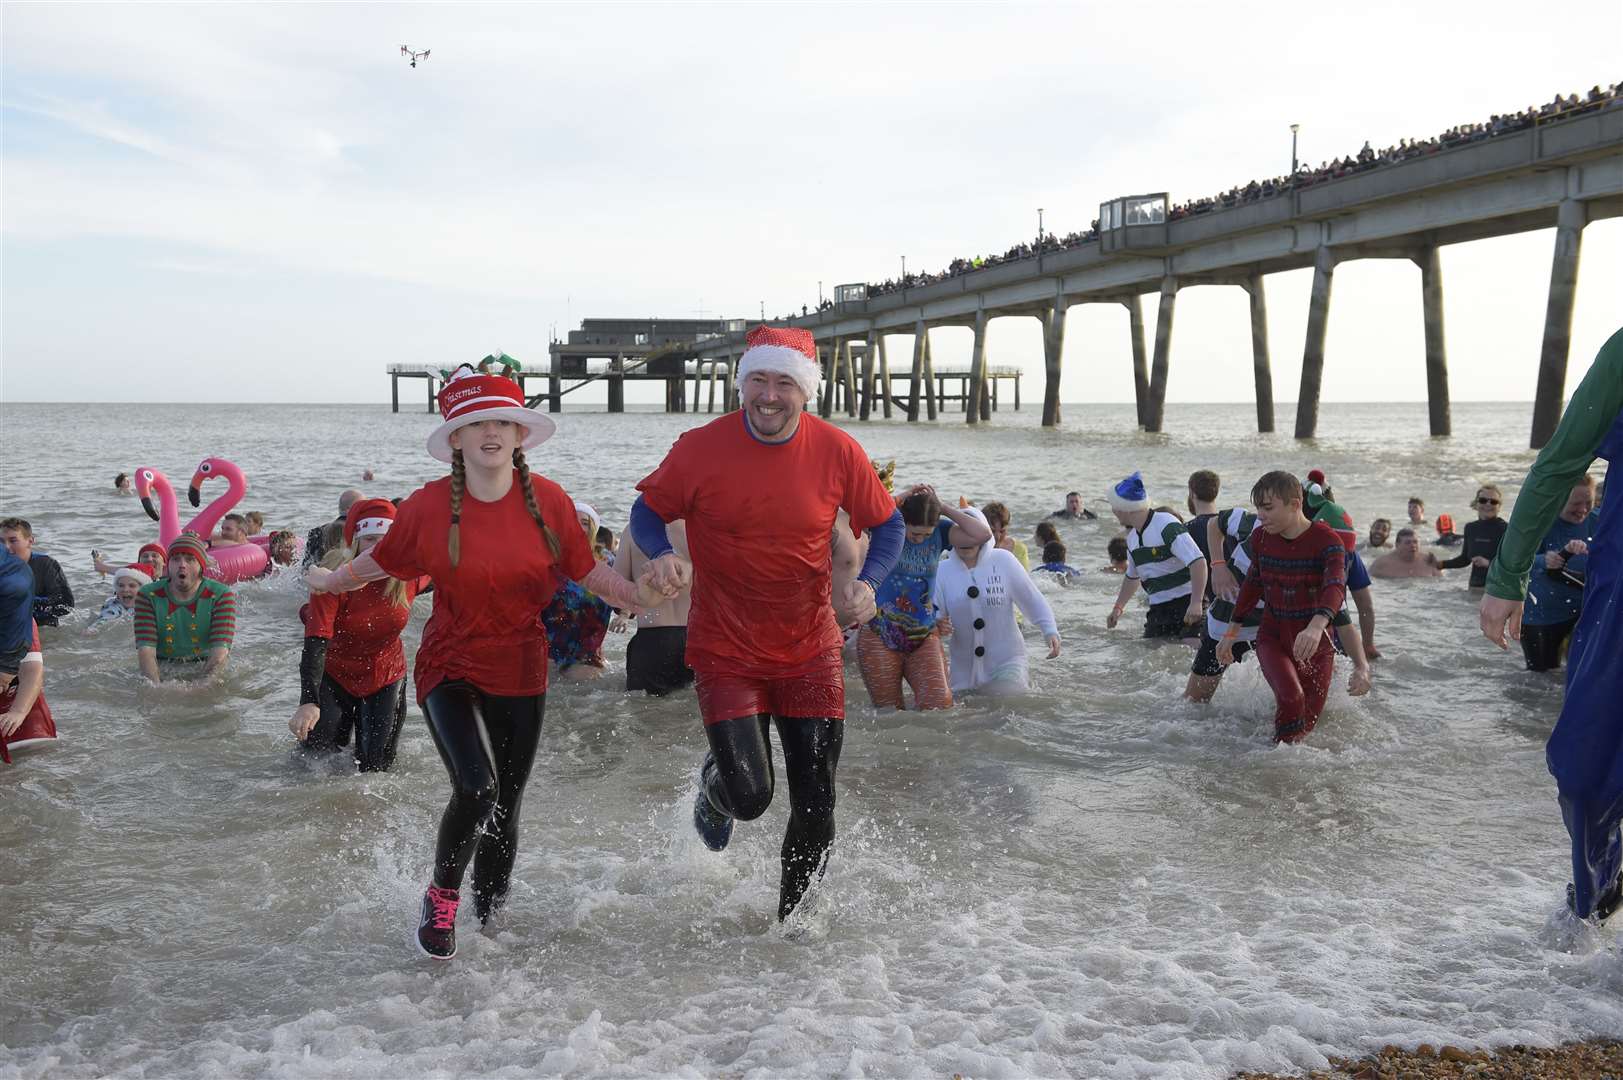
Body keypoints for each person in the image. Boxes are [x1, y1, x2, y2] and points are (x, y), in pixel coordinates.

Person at [306, 364, 667, 959]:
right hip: (448, 662)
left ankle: (490, 924)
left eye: (503, 421)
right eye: (477, 424)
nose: (491, 432)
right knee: (476, 788)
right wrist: (330, 578)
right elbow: (380, 563)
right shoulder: (425, 507)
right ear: (456, 439)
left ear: (521, 434)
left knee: (508, 802)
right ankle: (443, 897)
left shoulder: (550, 504)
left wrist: (642, 595)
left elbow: (592, 574)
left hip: (521, 664)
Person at [629, 325, 902, 923]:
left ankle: (792, 926)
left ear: (805, 391)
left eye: (784, 383)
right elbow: (648, 511)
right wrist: (660, 553)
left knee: (817, 803)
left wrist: (869, 585)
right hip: (727, 648)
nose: (769, 395)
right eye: (758, 380)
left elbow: (890, 527)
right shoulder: (700, 447)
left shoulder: (837, 450)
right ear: (742, 383)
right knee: (752, 797)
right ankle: (716, 789)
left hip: (811, 648)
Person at [1480, 326, 1622, 923]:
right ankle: (1597, 892)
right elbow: (1559, 463)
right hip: (1618, 600)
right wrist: (1507, 575)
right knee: (1585, 776)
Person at [290, 499, 426, 772]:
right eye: (370, 540)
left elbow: (455, 570)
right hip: (334, 676)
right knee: (314, 764)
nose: (377, 549)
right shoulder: (330, 581)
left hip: (385, 675)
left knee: (375, 770)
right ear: (355, 545)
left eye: (385, 540)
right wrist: (308, 700)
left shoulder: (410, 576)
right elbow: (316, 642)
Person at [1216, 472, 1348, 744]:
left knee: (1305, 724)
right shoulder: (1262, 539)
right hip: (1273, 636)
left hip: (1316, 643)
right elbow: (1251, 586)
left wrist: (1315, 626)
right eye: (1258, 509)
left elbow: (1335, 587)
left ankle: (1282, 777)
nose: (1261, 516)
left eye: (1268, 508)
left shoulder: (1328, 540)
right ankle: (1266, 766)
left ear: (1295, 504)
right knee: (1291, 697)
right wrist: (1230, 634)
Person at [857, 484, 984, 711]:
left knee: (940, 706)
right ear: (903, 521)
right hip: (879, 631)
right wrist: (902, 498)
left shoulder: (941, 532)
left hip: (923, 634)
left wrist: (942, 508)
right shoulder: (886, 529)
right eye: (914, 533)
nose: (919, 539)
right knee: (889, 713)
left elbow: (981, 534)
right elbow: (860, 516)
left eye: (925, 534)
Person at [933, 507, 1061, 695]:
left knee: (1005, 701)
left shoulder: (1004, 561)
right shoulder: (942, 570)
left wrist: (1049, 630)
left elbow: (1032, 599)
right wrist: (937, 624)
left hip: (1008, 662)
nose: (966, 540)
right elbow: (934, 614)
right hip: (963, 671)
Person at [1105, 474, 1207, 638]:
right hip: (1158, 608)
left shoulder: (1166, 524)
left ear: (1126, 508)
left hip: (1187, 601)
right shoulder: (1132, 539)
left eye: (1114, 506)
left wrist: (1196, 603)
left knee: (1191, 651)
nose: (1113, 511)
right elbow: (1132, 577)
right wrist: (1118, 608)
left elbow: (1198, 562)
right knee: (1151, 653)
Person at [1513, 477, 1597, 672]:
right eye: (1576, 504)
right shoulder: (1539, 522)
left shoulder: (1598, 520)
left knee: (1580, 673)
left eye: (1589, 503)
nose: (1583, 509)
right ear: (1559, 499)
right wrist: (1544, 559)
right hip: (1541, 616)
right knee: (1542, 678)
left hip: (1582, 612)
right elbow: (1515, 560)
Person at [134, 532, 236, 684]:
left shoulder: (221, 594)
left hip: (204, 664)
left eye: (190, 559)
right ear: (168, 566)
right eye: (175, 559)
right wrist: (155, 688)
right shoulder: (147, 594)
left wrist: (201, 687)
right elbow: (146, 650)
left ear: (201, 566)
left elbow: (220, 652)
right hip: (162, 664)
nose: (182, 564)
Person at [613, 520, 694, 697]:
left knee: (647, 717)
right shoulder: (698, 526)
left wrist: (625, 613)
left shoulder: (633, 530)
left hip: (653, 640)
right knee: (695, 717)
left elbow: (618, 588)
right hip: (697, 638)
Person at [540, 501, 615, 682]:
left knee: (585, 694)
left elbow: (622, 598)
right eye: (575, 521)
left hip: (586, 652)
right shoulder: (547, 560)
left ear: (594, 529)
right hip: (549, 648)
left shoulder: (607, 562)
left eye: (585, 523)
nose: (579, 527)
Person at [0, 518, 74, 628]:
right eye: (1, 542)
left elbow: (65, 604)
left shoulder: (46, 564)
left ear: (30, 541)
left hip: (43, 631)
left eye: (13, 540)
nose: (6, 547)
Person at [1438, 485, 1508, 590]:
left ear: (1499, 506)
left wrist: (1488, 563)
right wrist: (1440, 564)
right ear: (1476, 503)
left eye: (1493, 501)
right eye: (1483, 500)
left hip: (1497, 591)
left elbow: (1512, 565)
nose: (1488, 504)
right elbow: (1465, 559)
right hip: (1474, 588)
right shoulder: (1471, 528)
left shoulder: (1506, 529)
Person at [305, 489, 364, 567]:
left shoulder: (316, 532)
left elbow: (305, 567)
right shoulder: (359, 531)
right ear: (349, 509)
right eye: (363, 506)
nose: (366, 510)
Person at [1369, 528, 1443, 578]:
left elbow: (1441, 583)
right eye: (1408, 542)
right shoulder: (1381, 564)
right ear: (1397, 545)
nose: (1413, 545)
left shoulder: (1429, 561)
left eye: (1415, 542)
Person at [981, 501, 1028, 569]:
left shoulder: (1019, 549)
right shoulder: (974, 548)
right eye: (992, 531)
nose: (997, 537)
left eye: (1002, 531)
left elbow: (1024, 577)